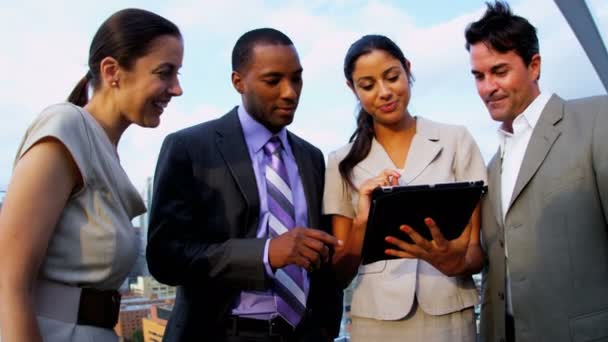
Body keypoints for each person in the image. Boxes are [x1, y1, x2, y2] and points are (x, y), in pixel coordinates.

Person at [146, 28, 343, 341]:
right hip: (220, 333)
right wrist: (265, 253)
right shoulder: (190, 148)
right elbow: (165, 257)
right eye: (273, 80)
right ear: (238, 81)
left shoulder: (311, 157)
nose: (290, 92)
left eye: (297, 78)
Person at [0, 8, 183, 342]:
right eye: (165, 73)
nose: (176, 89)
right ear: (112, 71)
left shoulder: (104, 153)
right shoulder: (65, 126)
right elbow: (7, 279)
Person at [323, 34, 487, 342]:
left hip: (449, 313)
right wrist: (361, 221)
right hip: (375, 321)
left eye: (392, 77)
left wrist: (456, 261)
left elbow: (476, 250)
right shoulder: (340, 162)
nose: (384, 93)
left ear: (407, 69)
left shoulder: (456, 141)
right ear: (352, 89)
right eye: (368, 86)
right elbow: (339, 274)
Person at [463, 2, 608, 341]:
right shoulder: (492, 165)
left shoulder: (597, 119)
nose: (487, 88)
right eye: (478, 76)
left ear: (534, 65)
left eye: (499, 71)